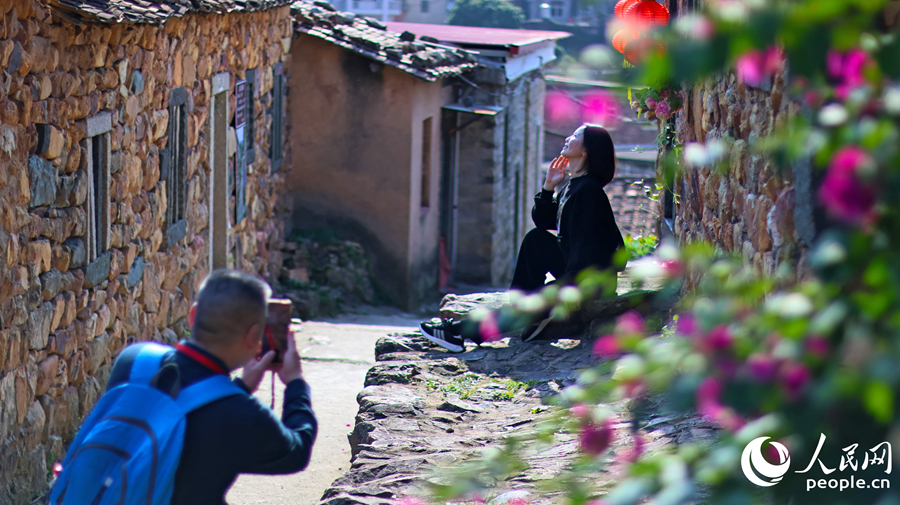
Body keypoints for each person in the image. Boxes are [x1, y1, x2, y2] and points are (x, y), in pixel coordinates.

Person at [104, 269, 318, 504]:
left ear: (193, 315)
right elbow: (297, 451)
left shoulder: (135, 361)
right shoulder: (241, 414)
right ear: (254, 335)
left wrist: (238, 388)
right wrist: (295, 382)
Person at [420, 124, 625, 351]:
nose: (567, 137)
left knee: (534, 301)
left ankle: (458, 332)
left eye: (576, 135)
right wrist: (548, 187)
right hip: (577, 267)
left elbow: (586, 249)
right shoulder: (574, 184)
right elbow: (544, 222)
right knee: (535, 239)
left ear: (586, 150)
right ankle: (526, 309)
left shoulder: (589, 191)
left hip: (590, 279)